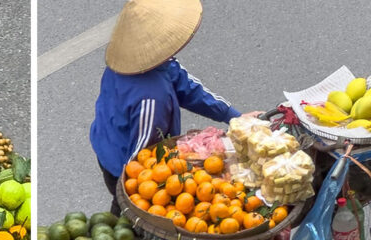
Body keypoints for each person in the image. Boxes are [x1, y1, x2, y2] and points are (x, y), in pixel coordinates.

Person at [90, 0, 260, 215]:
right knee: (126, 215)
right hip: (121, 163)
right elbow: (142, 156)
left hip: (108, 139)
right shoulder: (151, 98)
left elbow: (187, 87)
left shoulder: (141, 62)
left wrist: (233, 116)